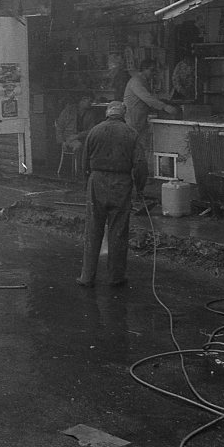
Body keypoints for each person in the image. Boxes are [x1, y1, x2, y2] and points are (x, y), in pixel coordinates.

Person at [77, 101, 147, 288]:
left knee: (92, 229)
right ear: (123, 114)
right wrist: (140, 188)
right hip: (121, 184)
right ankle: (115, 277)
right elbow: (140, 164)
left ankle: (86, 276)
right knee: (118, 231)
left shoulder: (94, 131)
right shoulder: (131, 133)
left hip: (96, 180)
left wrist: (88, 183)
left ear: (108, 113)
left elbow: (84, 162)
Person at [123, 58, 178, 137]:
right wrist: (165, 107)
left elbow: (151, 98)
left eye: (155, 71)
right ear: (144, 69)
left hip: (140, 120)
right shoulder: (136, 81)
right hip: (133, 121)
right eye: (152, 70)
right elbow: (147, 98)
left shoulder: (144, 82)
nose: (154, 73)